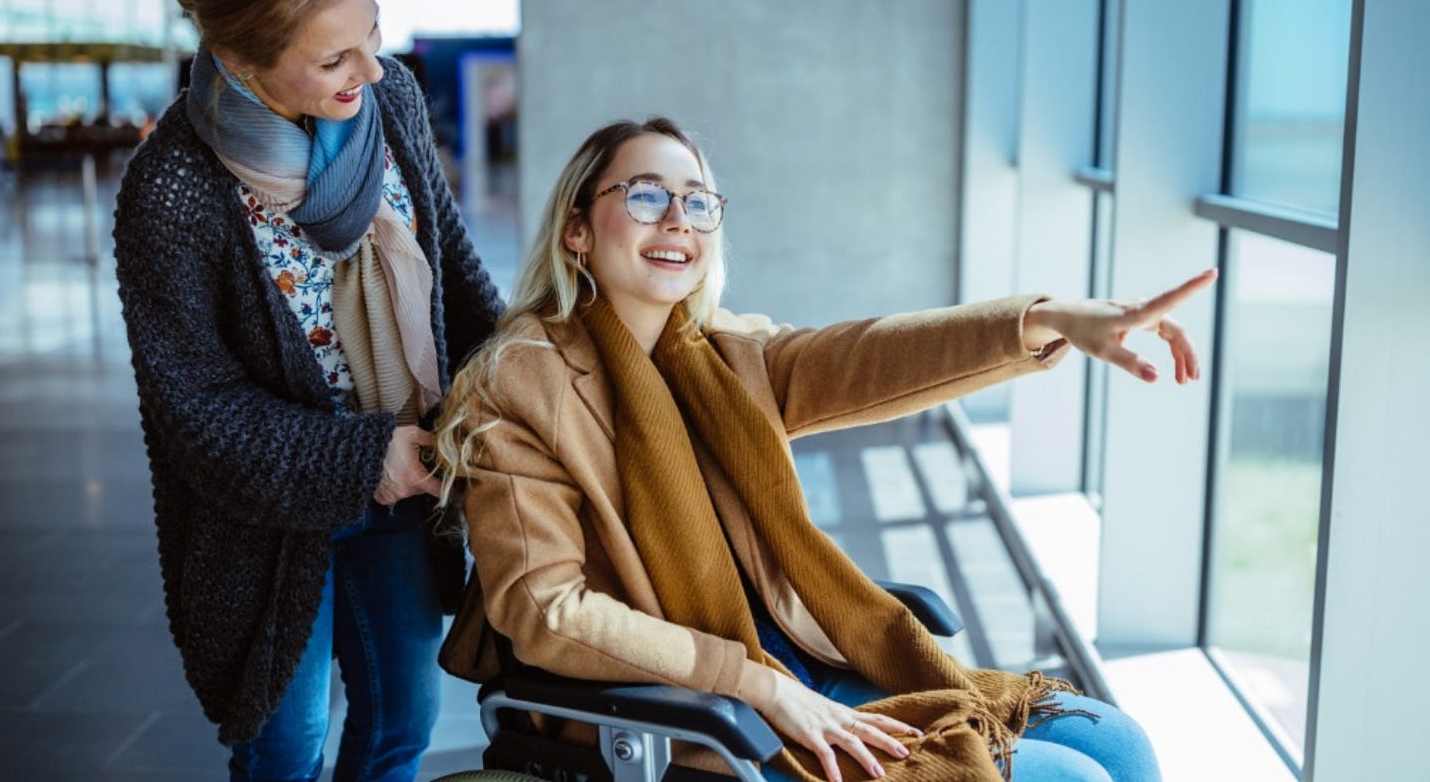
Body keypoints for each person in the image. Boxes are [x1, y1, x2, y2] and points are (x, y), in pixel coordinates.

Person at [435, 118, 1214, 782]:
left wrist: (1048, 321)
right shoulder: (519, 382)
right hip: (694, 707)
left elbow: (873, 355)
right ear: (576, 228)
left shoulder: (724, 353)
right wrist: (754, 687)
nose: (678, 218)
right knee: (1072, 776)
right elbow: (545, 611)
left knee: (1117, 741)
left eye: (698, 201)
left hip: (797, 656)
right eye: (645, 195)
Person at [111, 0, 503, 779]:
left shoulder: (388, 101)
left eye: (375, 33)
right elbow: (197, 412)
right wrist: (368, 456)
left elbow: (458, 287)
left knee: (403, 722)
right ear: (240, 58)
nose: (368, 68)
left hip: (405, 489)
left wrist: (524, 384)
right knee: (284, 751)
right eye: (334, 59)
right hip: (264, 522)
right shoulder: (174, 186)